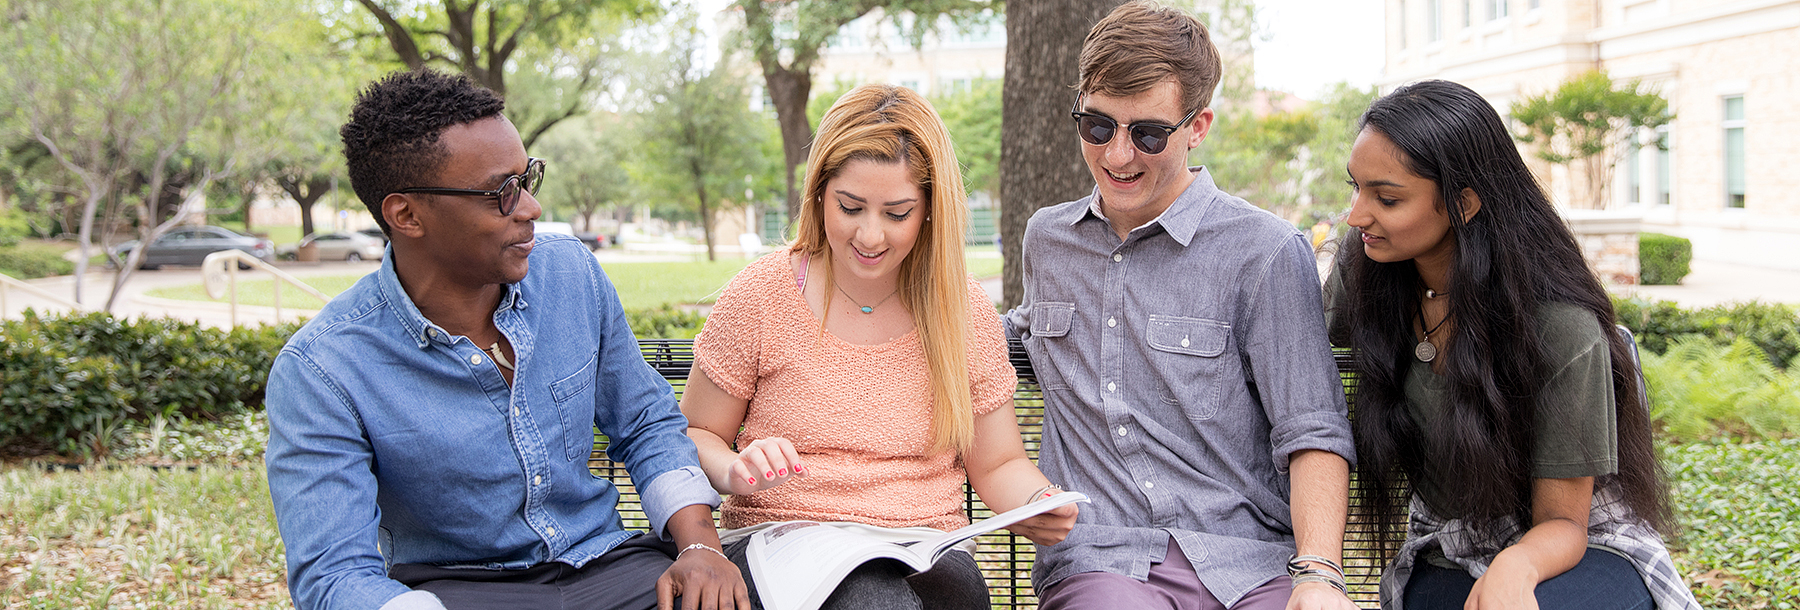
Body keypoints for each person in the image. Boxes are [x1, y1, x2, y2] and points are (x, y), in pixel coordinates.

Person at [264, 69, 747, 610]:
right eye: (502, 192)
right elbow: (333, 575)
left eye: (528, 178)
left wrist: (700, 546)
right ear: (406, 214)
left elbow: (644, 423)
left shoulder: (571, 276)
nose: (531, 208)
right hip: (458, 592)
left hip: (610, 565)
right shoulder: (322, 370)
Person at [1001, 3, 1358, 610]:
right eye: (1096, 127)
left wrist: (1320, 575)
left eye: (1147, 133)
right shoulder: (1049, 241)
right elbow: (986, 343)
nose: (1117, 156)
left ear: (1198, 126)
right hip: (1103, 565)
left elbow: (1312, 428)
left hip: (1252, 564)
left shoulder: (1266, 252)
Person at [677, 84, 1078, 610]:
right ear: (820, 193)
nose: (870, 235)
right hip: (786, 548)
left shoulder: (959, 308)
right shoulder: (762, 296)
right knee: (872, 601)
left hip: (924, 547)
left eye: (896, 213)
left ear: (930, 209)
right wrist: (734, 467)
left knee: (955, 597)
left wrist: (1036, 502)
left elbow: (998, 462)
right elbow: (694, 433)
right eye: (851, 207)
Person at [1325, 79, 1700, 610]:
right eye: (1355, 188)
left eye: (1386, 197)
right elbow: (1287, 366)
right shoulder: (1365, 272)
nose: (1356, 214)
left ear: (1464, 203)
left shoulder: (1559, 328)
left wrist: (1517, 566)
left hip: (1575, 547)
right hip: (1448, 541)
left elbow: (1565, 523)